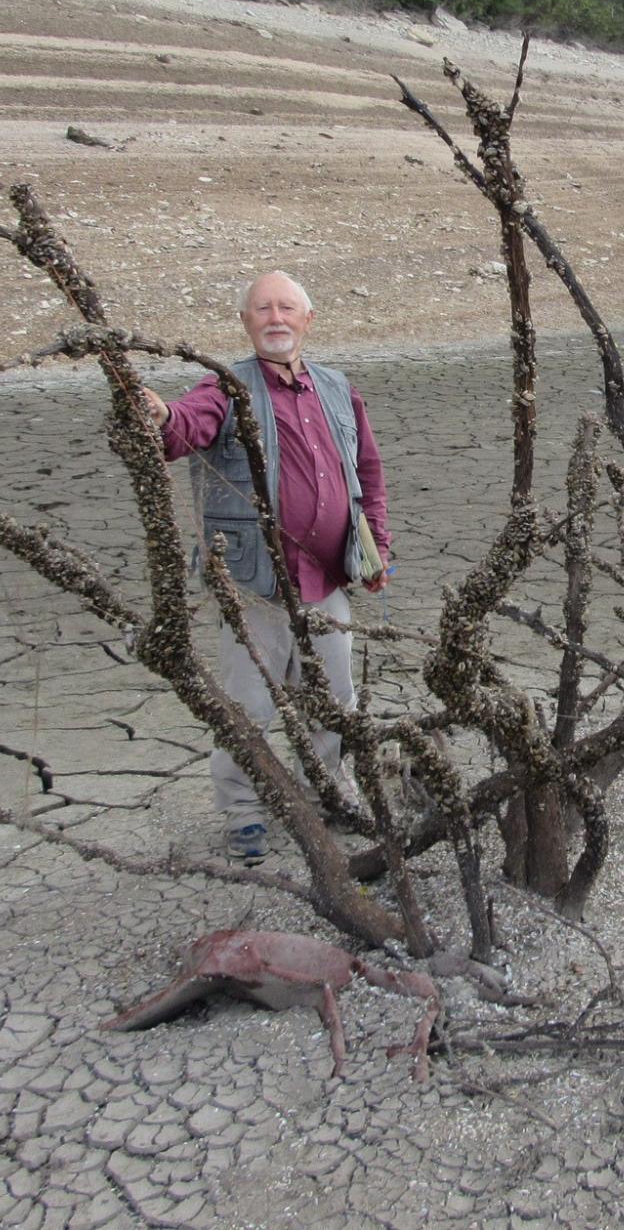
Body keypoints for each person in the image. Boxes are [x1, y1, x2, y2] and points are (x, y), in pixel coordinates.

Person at [140, 270, 391, 865]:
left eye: (286, 309)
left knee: (335, 702)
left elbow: (368, 473)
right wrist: (156, 415)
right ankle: (244, 812)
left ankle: (330, 791)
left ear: (308, 319)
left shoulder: (335, 387)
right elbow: (184, 428)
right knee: (249, 706)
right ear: (246, 323)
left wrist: (375, 548)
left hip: (327, 580)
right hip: (254, 586)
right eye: (262, 310)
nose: (275, 319)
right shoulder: (224, 388)